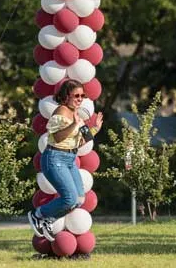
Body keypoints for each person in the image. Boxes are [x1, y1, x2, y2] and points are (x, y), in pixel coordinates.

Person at [28, 79, 103, 242]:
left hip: (69, 159)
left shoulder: (78, 115)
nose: (80, 99)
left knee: (79, 200)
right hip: (55, 158)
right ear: (66, 96)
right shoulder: (61, 112)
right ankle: (37, 214)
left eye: (82, 95)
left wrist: (95, 129)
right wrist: (73, 125)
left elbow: (81, 141)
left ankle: (48, 219)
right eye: (76, 95)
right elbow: (57, 136)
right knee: (69, 198)